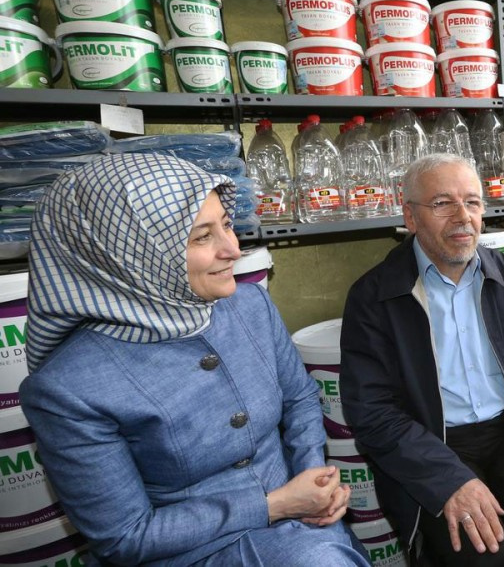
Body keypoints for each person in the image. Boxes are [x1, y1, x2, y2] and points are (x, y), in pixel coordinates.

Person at [19, 154, 369, 567]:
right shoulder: (66, 389)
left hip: (304, 526)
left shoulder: (250, 305)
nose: (233, 249)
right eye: (202, 237)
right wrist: (277, 505)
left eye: (225, 224)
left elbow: (300, 399)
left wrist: (314, 480)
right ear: (130, 255)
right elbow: (127, 537)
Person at [340, 154, 504, 567]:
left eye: (472, 202)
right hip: (434, 444)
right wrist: (448, 480)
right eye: (442, 203)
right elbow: (372, 413)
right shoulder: (374, 296)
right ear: (411, 217)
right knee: (490, 558)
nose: (462, 217)